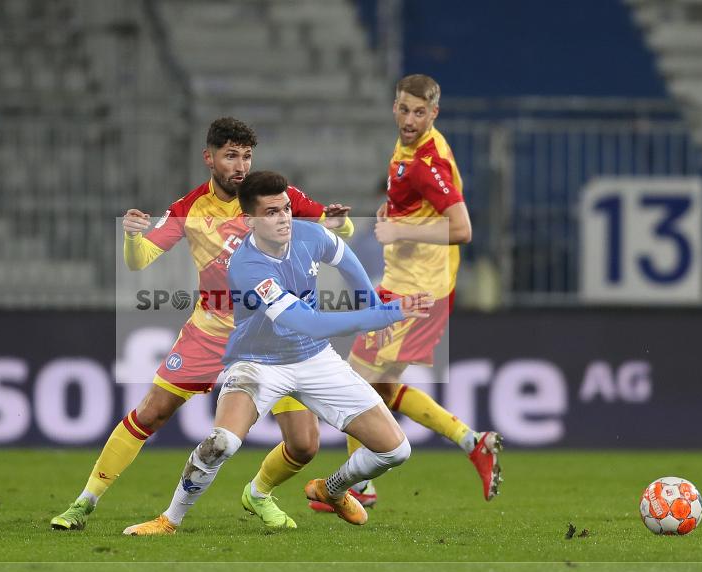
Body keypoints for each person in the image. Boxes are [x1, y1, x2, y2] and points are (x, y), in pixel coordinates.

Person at [51, 118, 354, 531]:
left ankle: (258, 493)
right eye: (231, 156)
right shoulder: (189, 209)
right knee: (152, 412)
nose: (241, 165)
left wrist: (339, 221)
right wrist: (131, 237)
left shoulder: (275, 197)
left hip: (275, 339)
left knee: (303, 445)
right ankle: (84, 502)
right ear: (209, 158)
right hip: (211, 334)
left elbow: (339, 230)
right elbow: (140, 261)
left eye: (247, 156)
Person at [123, 171, 433, 535]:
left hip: (314, 358)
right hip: (258, 362)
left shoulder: (310, 234)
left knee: (396, 451)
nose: (284, 217)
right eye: (271, 212)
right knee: (222, 443)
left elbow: (346, 259)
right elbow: (311, 323)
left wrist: (371, 301)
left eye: (286, 208)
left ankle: (330, 490)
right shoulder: (247, 267)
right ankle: (169, 519)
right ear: (250, 219)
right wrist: (387, 314)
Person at [310, 74, 503, 512]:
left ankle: (358, 487)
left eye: (420, 112)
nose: (410, 119)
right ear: (394, 107)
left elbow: (463, 229)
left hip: (418, 291)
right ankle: (473, 442)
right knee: (380, 385)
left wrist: (399, 228)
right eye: (403, 109)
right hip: (414, 283)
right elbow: (423, 206)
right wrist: (397, 212)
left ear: (433, 113)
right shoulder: (410, 150)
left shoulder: (424, 162)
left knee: (351, 383)